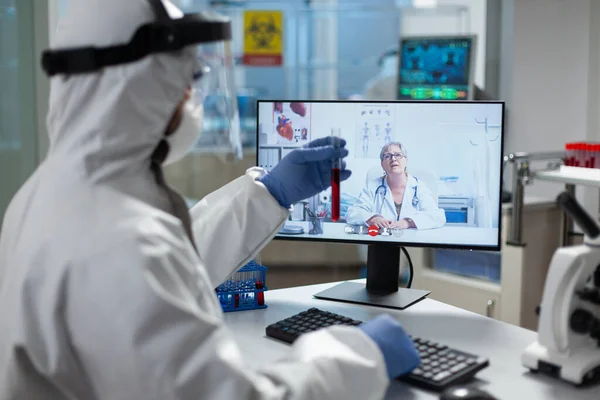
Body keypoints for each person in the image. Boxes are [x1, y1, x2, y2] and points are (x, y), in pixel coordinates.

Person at [0, 1, 420, 399]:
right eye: (186, 83)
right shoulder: (121, 241)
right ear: (140, 91)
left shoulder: (49, 195)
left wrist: (268, 194)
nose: (191, 99)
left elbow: (173, 266)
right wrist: (360, 357)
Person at [346, 142, 446, 229]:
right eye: (387, 156)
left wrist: (408, 222)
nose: (393, 159)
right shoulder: (373, 186)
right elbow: (352, 213)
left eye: (398, 155)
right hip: (380, 240)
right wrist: (373, 218)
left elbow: (438, 216)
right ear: (382, 164)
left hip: (411, 242)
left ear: (406, 161)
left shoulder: (418, 187)